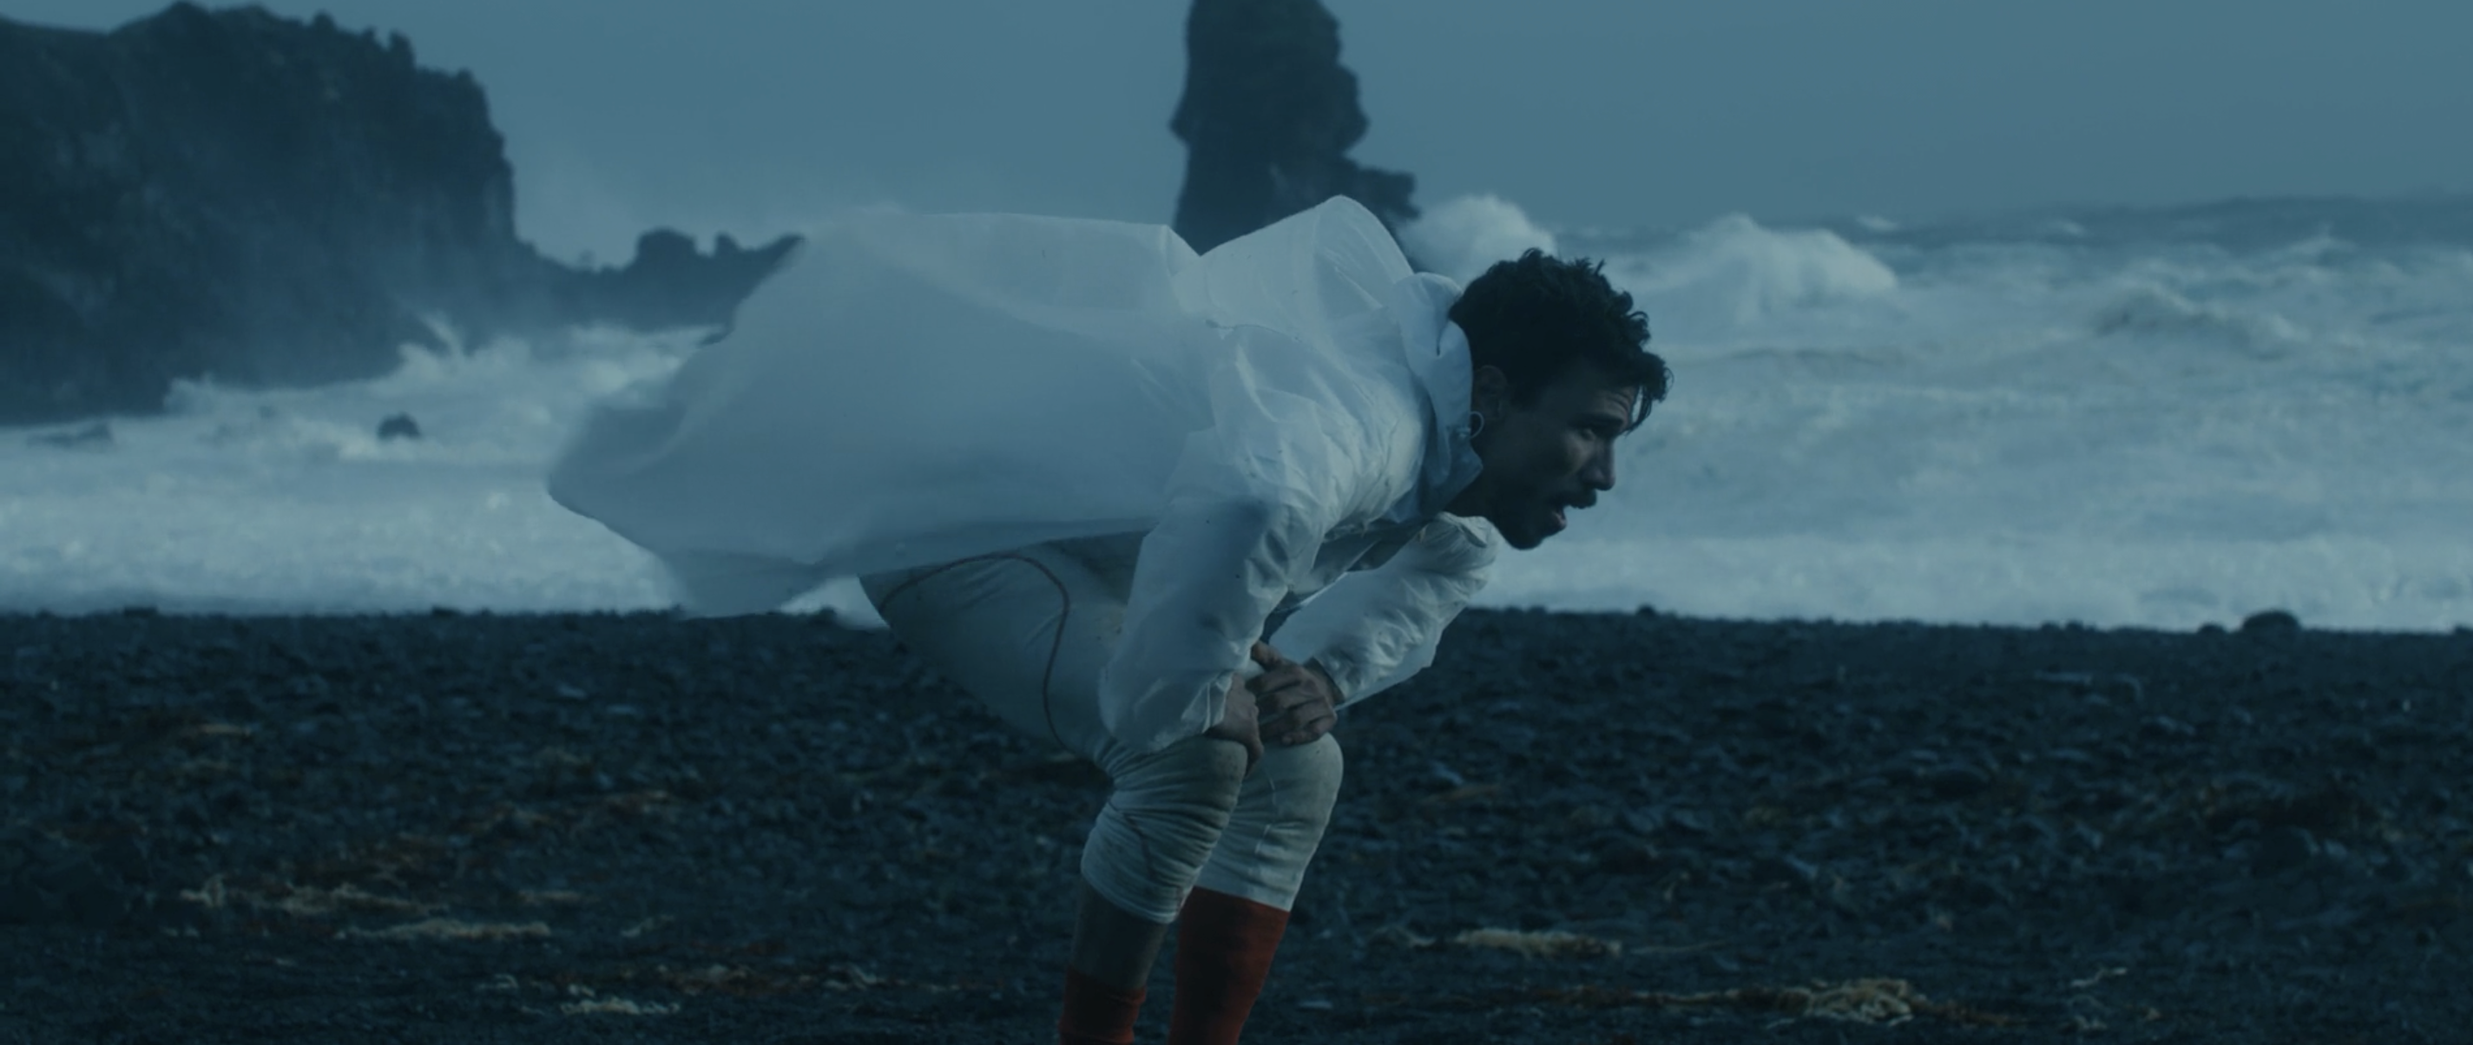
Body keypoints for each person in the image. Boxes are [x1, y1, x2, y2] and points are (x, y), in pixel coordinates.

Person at [548, 197, 1670, 1044]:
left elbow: (1450, 555)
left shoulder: (1450, 430)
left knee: (1298, 762)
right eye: (1589, 430)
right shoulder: (1366, 419)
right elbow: (1252, 498)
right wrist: (1192, 688)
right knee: (1192, 751)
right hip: (961, 542)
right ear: (1494, 391)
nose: (1604, 473)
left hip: (1099, 565)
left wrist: (1323, 673)